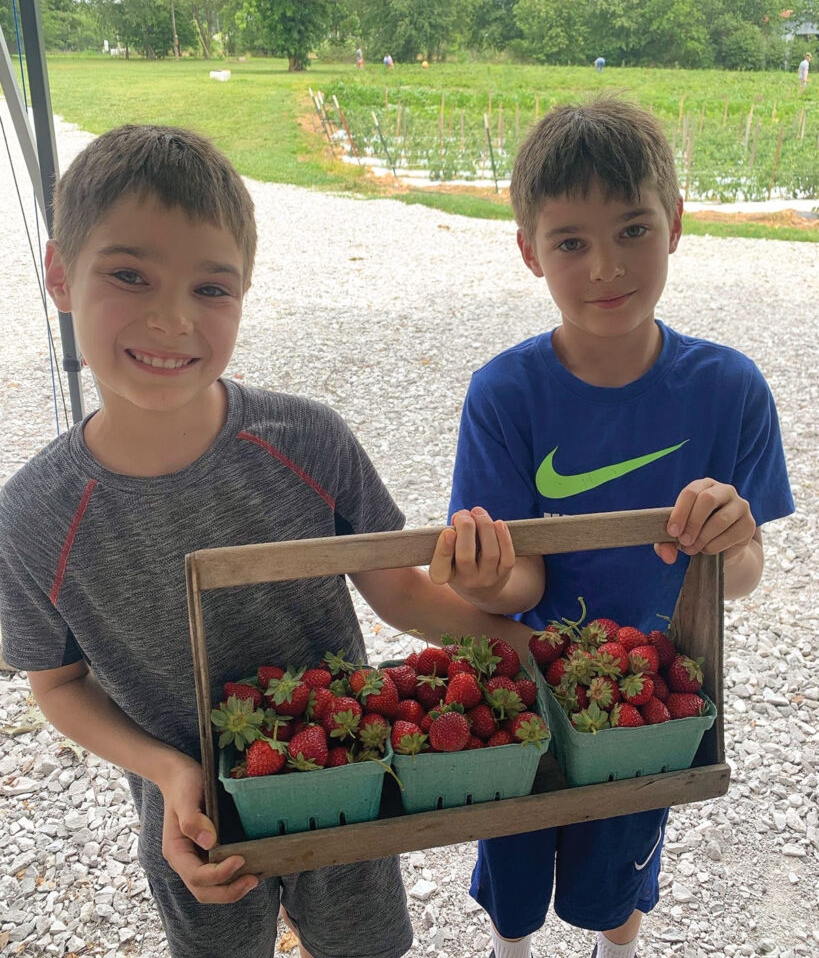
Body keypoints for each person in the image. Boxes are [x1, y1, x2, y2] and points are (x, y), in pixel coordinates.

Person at [0, 125, 535, 958]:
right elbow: (59, 683)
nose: (171, 317)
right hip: (194, 816)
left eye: (211, 289)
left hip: (352, 779)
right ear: (60, 273)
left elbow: (396, 591)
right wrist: (167, 769)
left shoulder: (310, 442)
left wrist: (530, 653)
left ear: (245, 291)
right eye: (129, 274)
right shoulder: (32, 517)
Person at [444, 98, 793, 958]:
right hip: (525, 680)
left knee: (616, 875)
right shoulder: (504, 395)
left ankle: (617, 946)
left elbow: (742, 571)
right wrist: (490, 578)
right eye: (570, 242)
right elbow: (520, 580)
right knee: (515, 858)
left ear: (673, 224)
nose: (605, 266)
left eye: (632, 229)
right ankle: (511, 946)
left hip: (650, 694)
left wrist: (730, 539)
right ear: (529, 251)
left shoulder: (731, 388)